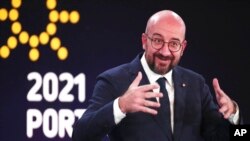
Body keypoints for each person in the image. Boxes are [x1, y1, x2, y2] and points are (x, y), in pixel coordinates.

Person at [72, 10, 242, 141]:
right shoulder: (114, 80)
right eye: (158, 40)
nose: (165, 51)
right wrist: (121, 105)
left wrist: (234, 115)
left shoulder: (196, 84)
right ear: (144, 41)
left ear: (183, 47)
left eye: (174, 43)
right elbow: (80, 136)